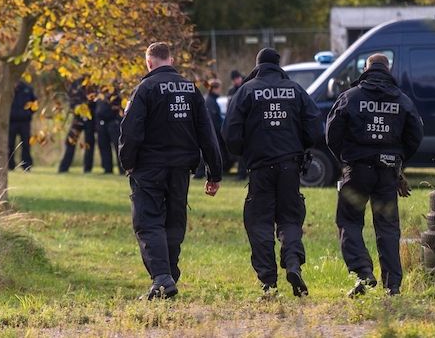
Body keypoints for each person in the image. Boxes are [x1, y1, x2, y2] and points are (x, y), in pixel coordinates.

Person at [119, 42, 222, 300]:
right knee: (174, 221)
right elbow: (207, 134)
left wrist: (127, 162)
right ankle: (169, 277)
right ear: (171, 59)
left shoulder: (145, 89)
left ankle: (162, 278)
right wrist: (214, 172)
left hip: (149, 169)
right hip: (180, 169)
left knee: (148, 221)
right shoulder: (191, 90)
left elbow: (131, 132)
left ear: (149, 62)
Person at [223, 48, 321, 299]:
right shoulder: (296, 90)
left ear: (257, 65)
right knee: (289, 219)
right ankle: (293, 263)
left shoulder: (246, 91)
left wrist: (246, 152)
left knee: (260, 222)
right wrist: (299, 145)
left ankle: (268, 282)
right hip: (290, 166)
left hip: (260, 168)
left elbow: (230, 134)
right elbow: (315, 129)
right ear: (279, 65)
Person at [326, 53, 423, 297]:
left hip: (357, 171)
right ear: (387, 69)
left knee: (349, 221)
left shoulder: (350, 97)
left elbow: (331, 133)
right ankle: (393, 286)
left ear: (367, 69)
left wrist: (345, 157)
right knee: (388, 228)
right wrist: (399, 160)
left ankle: (363, 272)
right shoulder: (402, 100)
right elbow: (415, 135)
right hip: (387, 173)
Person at [58, 79, 96, 173]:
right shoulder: (76, 83)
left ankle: (87, 169)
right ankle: (64, 168)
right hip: (77, 118)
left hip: (90, 118)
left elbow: (95, 101)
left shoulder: (93, 82)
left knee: (89, 142)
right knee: (70, 141)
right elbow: (71, 99)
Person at [93, 86, 123, 174]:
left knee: (118, 146)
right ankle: (107, 169)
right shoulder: (98, 90)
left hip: (113, 122)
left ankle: (122, 169)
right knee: (103, 146)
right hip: (101, 123)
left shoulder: (115, 89)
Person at [8, 79, 37, 171]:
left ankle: (26, 165)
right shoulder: (8, 88)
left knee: (26, 144)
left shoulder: (27, 89)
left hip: (25, 122)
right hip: (11, 122)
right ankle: (10, 165)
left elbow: (35, 104)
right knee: (9, 144)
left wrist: (29, 113)